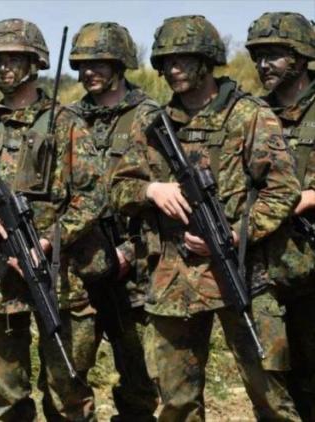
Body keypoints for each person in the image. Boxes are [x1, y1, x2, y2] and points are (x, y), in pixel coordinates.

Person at [111, 14, 301, 421]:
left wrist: (238, 233)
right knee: (177, 404)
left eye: (182, 59)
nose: (172, 69)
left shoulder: (249, 116)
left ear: (207, 61)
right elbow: (118, 187)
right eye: (166, 61)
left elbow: (283, 189)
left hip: (242, 271)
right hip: (173, 279)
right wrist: (151, 190)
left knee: (271, 397)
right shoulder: (152, 122)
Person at [0, 18, 109, 421]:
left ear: (36, 64)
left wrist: (49, 239)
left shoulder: (66, 124)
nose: (5, 67)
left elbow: (93, 195)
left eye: (15, 59)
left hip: (58, 276)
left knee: (67, 390)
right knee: (7, 397)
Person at [66, 21, 159, 421]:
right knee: (71, 365)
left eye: (99, 63)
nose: (89, 72)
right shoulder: (68, 117)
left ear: (120, 64)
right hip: (80, 261)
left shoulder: (148, 115)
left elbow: (161, 192)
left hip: (132, 264)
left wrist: (131, 249)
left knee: (138, 369)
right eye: (83, 65)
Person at [246, 12, 315, 420]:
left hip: (310, 266)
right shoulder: (253, 113)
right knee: (270, 378)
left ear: (301, 57)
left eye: (274, 55)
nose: (263, 65)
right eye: (258, 56)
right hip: (265, 267)